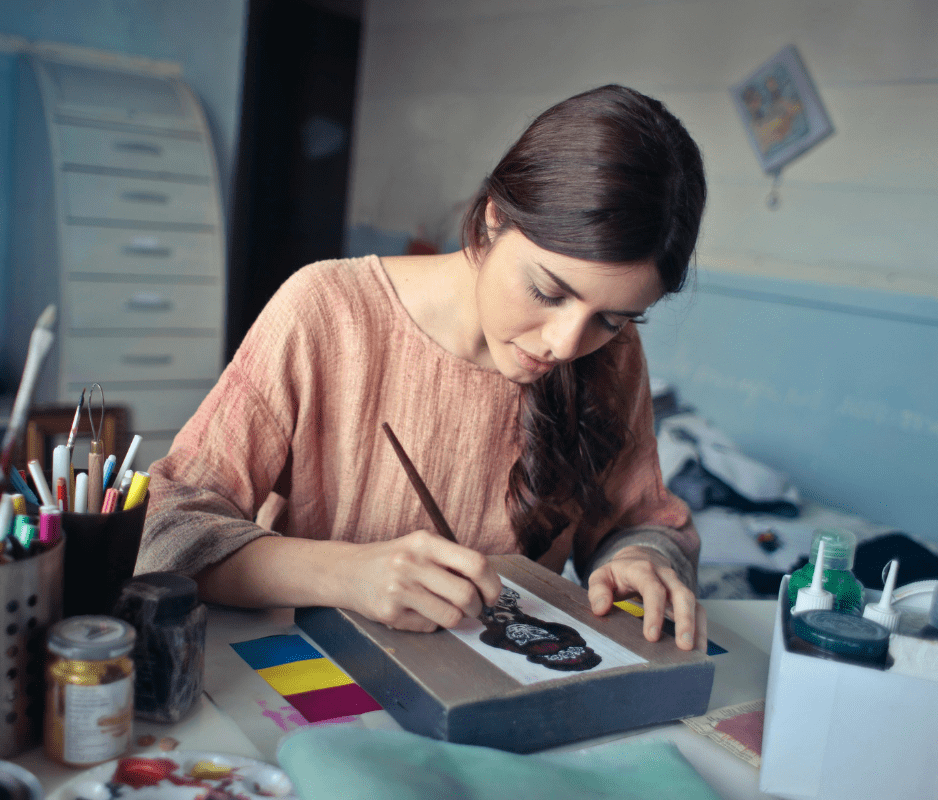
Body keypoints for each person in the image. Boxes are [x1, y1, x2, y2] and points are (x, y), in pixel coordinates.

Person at [135, 84, 708, 650]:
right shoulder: (326, 311)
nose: (565, 343)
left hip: (499, 696)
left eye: (612, 318)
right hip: (310, 676)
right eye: (546, 290)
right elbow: (166, 531)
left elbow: (642, 519)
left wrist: (641, 556)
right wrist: (347, 574)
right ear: (491, 220)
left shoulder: (611, 353)